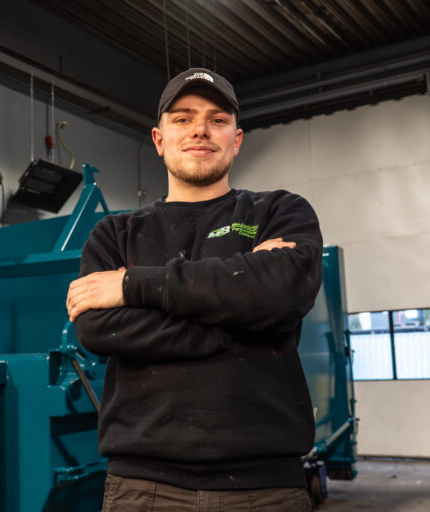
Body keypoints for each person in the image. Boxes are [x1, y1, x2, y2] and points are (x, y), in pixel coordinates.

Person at [66, 67, 322, 511]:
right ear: (159, 139)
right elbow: (97, 329)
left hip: (265, 489)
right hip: (142, 488)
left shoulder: (279, 211)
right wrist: (231, 323)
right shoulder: (114, 234)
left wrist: (131, 284)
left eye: (217, 120)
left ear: (236, 140)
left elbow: (282, 292)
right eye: (183, 118)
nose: (200, 130)